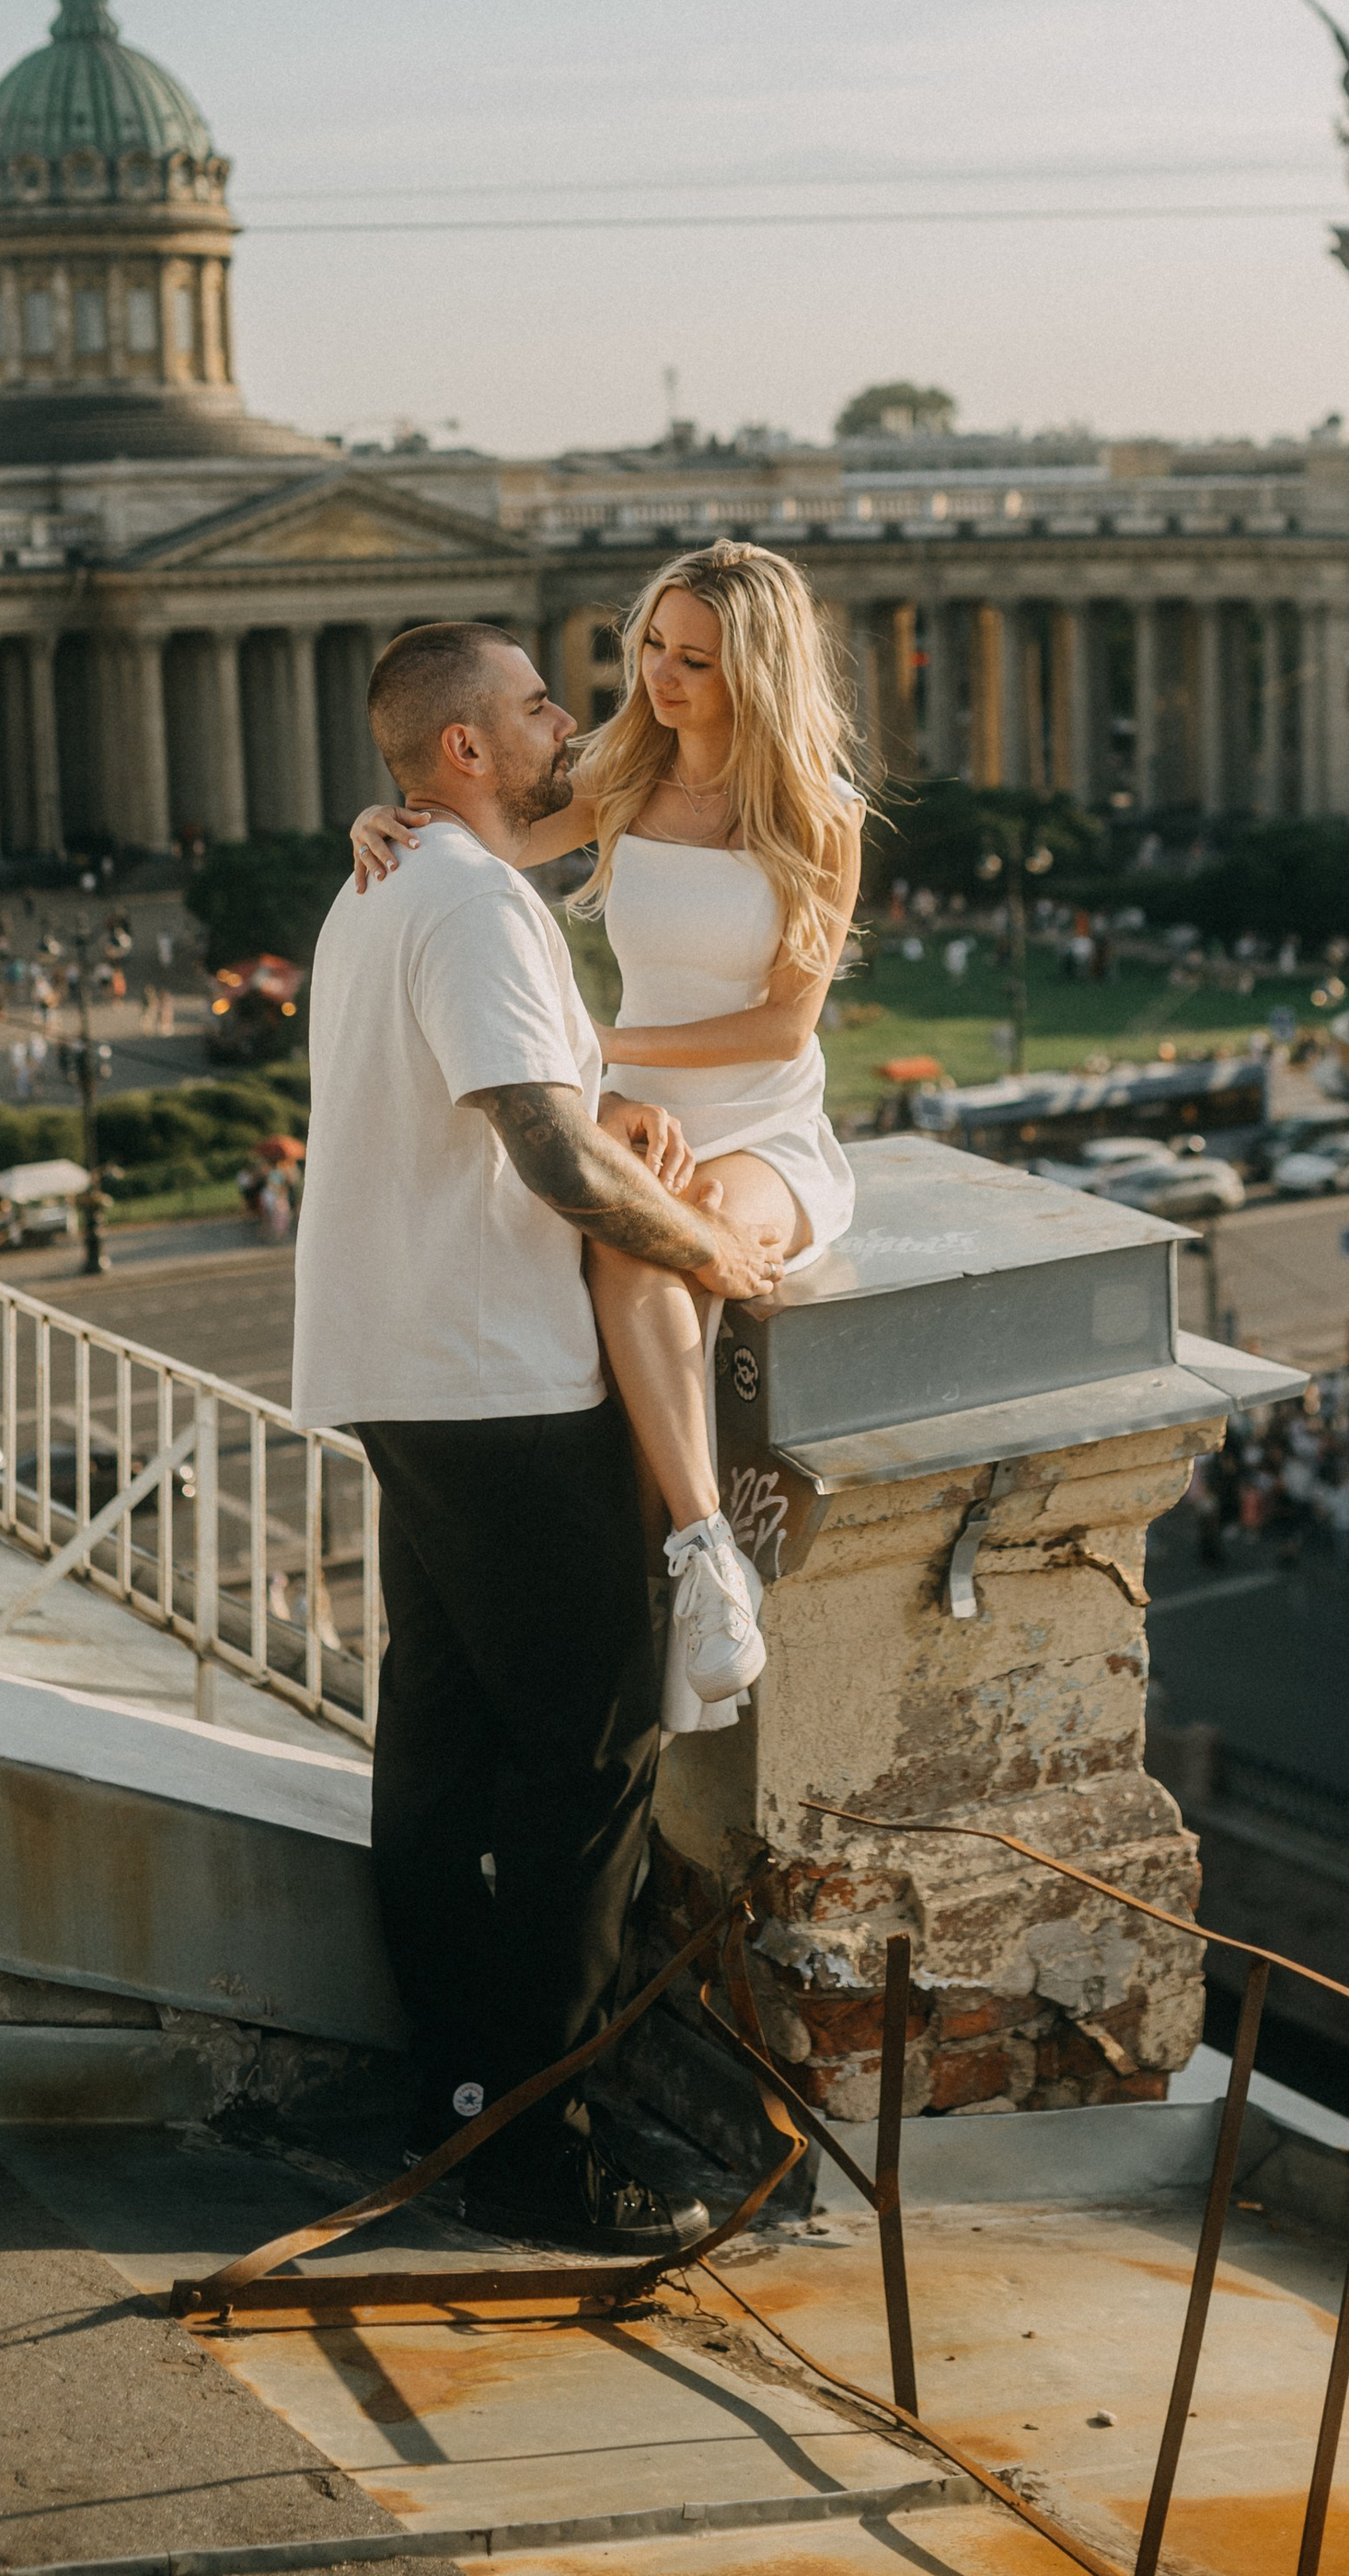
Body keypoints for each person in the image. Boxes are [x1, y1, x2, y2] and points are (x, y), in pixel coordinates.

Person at [292, 619, 783, 2253]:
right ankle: (538, 2137)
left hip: (394, 1364)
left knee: (436, 1755)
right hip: (497, 1375)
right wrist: (715, 1252)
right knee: (588, 1758)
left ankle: (445, 2092)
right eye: (531, 704)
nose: (565, 712)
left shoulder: (378, 888)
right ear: (465, 756)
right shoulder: (475, 898)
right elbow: (552, 1162)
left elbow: (534, 1113)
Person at [352, 540, 865, 1724]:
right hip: (631, 1109)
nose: (659, 676)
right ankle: (693, 1562)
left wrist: (593, 1043)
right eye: (652, 645)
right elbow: (478, 836)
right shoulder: (622, 778)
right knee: (634, 1253)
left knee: (643, 1245)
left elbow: (785, 1028)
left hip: (763, 1129)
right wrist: (386, 821)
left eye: (695, 659)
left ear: (758, 673)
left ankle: (697, 1562)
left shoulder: (820, 815)